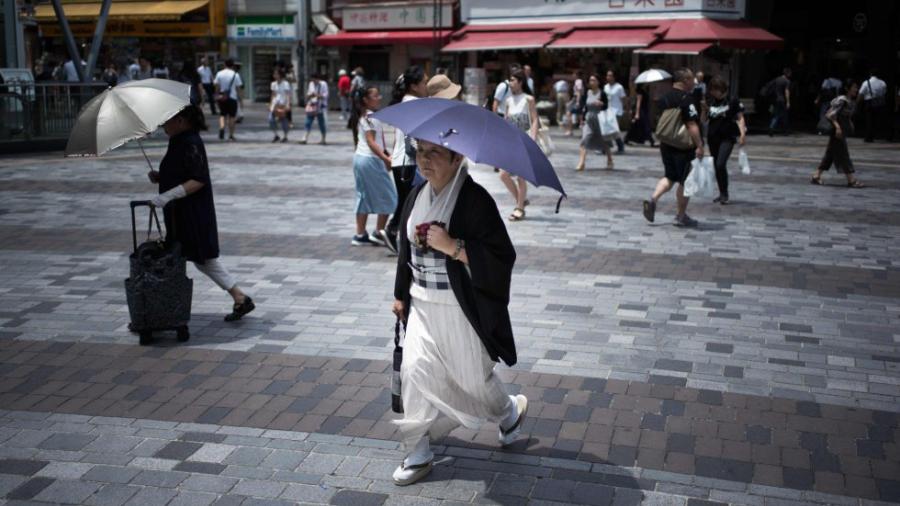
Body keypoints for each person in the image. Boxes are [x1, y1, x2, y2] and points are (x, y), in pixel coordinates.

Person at [390, 138, 527, 487]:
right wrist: (400, 295)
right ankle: (418, 452)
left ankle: (508, 411)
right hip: (422, 304)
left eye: (433, 153)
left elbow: (501, 257)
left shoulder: (475, 200)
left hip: (459, 308)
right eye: (420, 152)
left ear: (457, 158)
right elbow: (404, 249)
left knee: (472, 381)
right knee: (414, 370)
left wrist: (453, 246)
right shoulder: (415, 196)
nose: (424, 160)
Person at [145, 105, 255, 322]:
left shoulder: (190, 142)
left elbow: (198, 179)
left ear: (182, 120)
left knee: (197, 258)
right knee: (198, 259)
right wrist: (162, 177)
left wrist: (166, 196)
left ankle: (166, 309)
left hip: (192, 214)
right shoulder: (179, 140)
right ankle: (240, 298)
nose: (164, 123)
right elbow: (183, 173)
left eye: (168, 119)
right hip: (183, 214)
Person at [642, 68, 704, 227]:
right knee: (685, 181)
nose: (693, 82)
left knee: (669, 176)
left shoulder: (665, 98)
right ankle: (681, 216)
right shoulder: (687, 99)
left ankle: (653, 199)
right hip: (683, 147)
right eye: (691, 79)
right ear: (684, 81)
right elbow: (691, 124)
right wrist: (700, 145)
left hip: (666, 144)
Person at [385, 66, 429, 253]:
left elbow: (399, 137)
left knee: (407, 202)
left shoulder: (405, 102)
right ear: (414, 86)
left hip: (400, 161)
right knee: (409, 202)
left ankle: (399, 234)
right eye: (424, 82)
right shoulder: (413, 104)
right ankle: (394, 231)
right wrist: (421, 153)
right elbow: (410, 136)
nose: (426, 85)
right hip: (407, 163)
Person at [349, 86, 397, 246]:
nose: (380, 98)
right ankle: (378, 232)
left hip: (360, 159)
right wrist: (385, 158)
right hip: (370, 160)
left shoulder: (364, 116)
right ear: (366, 100)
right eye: (376, 96)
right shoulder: (371, 117)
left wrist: (385, 154)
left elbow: (372, 142)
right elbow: (371, 142)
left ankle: (360, 234)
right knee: (389, 196)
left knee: (363, 196)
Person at [811, 80, 865, 188]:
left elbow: (846, 115)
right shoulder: (842, 100)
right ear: (847, 88)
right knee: (843, 154)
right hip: (837, 132)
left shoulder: (849, 101)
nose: (856, 90)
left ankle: (816, 176)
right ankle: (851, 180)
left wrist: (850, 123)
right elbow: (830, 115)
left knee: (830, 155)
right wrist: (838, 128)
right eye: (854, 87)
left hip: (841, 131)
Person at [500, 70, 536, 222]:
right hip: (511, 141)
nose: (510, 83)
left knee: (521, 176)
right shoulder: (508, 101)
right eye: (510, 80)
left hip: (525, 140)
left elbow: (534, 120)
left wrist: (532, 139)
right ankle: (520, 200)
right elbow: (506, 121)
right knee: (503, 174)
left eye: (513, 80)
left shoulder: (529, 99)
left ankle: (519, 208)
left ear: (520, 82)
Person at [706, 76, 746, 205]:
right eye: (711, 90)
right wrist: (703, 110)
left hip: (727, 137)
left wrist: (742, 134)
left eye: (714, 90)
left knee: (720, 164)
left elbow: (740, 118)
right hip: (713, 137)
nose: (712, 93)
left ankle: (725, 193)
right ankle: (722, 193)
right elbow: (704, 120)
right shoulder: (711, 101)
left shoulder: (732, 100)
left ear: (721, 89)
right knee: (716, 166)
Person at [576, 73, 613, 171]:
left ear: (598, 82)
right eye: (590, 80)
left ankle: (610, 160)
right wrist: (582, 119)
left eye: (594, 80)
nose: (591, 82)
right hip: (589, 120)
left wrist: (601, 104)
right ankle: (581, 162)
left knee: (605, 141)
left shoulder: (602, 93)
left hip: (600, 119)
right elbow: (584, 107)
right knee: (584, 140)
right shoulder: (587, 93)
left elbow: (606, 106)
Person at [213, 59, 242, 142]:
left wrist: (216, 95)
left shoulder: (219, 73)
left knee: (222, 115)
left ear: (224, 64)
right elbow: (238, 87)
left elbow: (217, 86)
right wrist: (240, 98)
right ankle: (231, 135)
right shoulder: (235, 75)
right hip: (232, 97)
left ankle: (222, 127)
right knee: (232, 117)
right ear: (232, 65)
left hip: (222, 98)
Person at [858, 69, 887, 143]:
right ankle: (876, 135)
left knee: (869, 120)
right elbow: (884, 93)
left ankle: (869, 137)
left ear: (870, 74)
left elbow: (861, 93)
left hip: (869, 102)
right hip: (879, 103)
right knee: (877, 120)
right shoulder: (883, 83)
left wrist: (857, 103)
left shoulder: (866, 82)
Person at [603, 70, 627, 153]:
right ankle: (605, 148)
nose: (608, 77)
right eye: (607, 75)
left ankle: (620, 146)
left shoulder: (619, 87)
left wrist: (625, 109)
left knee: (613, 130)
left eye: (610, 76)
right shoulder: (605, 87)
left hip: (617, 111)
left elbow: (623, 99)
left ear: (614, 77)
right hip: (607, 111)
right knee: (606, 130)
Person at [301, 74, 328, 145]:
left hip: (320, 106)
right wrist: (310, 95)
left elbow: (326, 95)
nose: (313, 81)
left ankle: (323, 139)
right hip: (312, 106)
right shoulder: (311, 84)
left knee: (321, 123)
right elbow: (308, 94)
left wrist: (317, 95)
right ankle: (305, 138)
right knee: (308, 122)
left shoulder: (324, 84)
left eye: (315, 80)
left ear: (318, 79)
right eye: (312, 80)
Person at [269, 69, 292, 143]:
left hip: (283, 103)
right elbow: (273, 94)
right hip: (275, 104)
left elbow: (287, 94)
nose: (274, 75)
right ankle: (276, 135)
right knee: (271, 119)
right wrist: (271, 104)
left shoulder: (285, 84)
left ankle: (285, 136)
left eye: (276, 74)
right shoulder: (273, 84)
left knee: (284, 120)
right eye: (274, 74)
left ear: (280, 75)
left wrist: (288, 104)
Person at [768, 67, 791, 136]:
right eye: (790, 73)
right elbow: (787, 92)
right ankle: (785, 130)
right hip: (782, 100)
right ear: (787, 73)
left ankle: (771, 127)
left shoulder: (777, 79)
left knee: (776, 115)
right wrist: (788, 102)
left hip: (775, 100)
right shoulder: (787, 81)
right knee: (784, 115)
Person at [567, 70, 584, 136]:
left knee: (569, 113)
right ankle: (572, 129)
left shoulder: (578, 81)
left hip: (577, 98)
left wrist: (577, 101)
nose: (572, 75)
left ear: (576, 75)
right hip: (576, 98)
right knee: (580, 114)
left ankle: (570, 130)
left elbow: (579, 92)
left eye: (573, 74)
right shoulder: (579, 81)